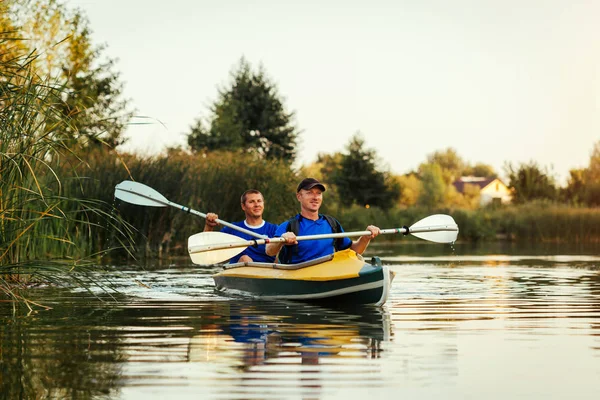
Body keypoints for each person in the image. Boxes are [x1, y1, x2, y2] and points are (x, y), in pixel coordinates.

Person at [266, 178, 380, 264]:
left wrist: (365, 238)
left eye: (318, 193)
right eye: (309, 192)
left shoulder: (332, 223)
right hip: (298, 275)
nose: (315, 197)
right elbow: (269, 251)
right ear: (299, 196)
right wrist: (281, 240)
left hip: (327, 273)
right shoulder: (289, 225)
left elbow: (354, 251)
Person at [204, 189, 277, 263]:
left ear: (263, 204)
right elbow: (206, 249)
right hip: (240, 269)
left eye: (259, 201)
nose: (257, 205)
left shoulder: (275, 230)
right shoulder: (232, 229)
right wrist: (209, 226)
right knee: (245, 259)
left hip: (268, 271)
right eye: (251, 202)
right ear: (243, 206)